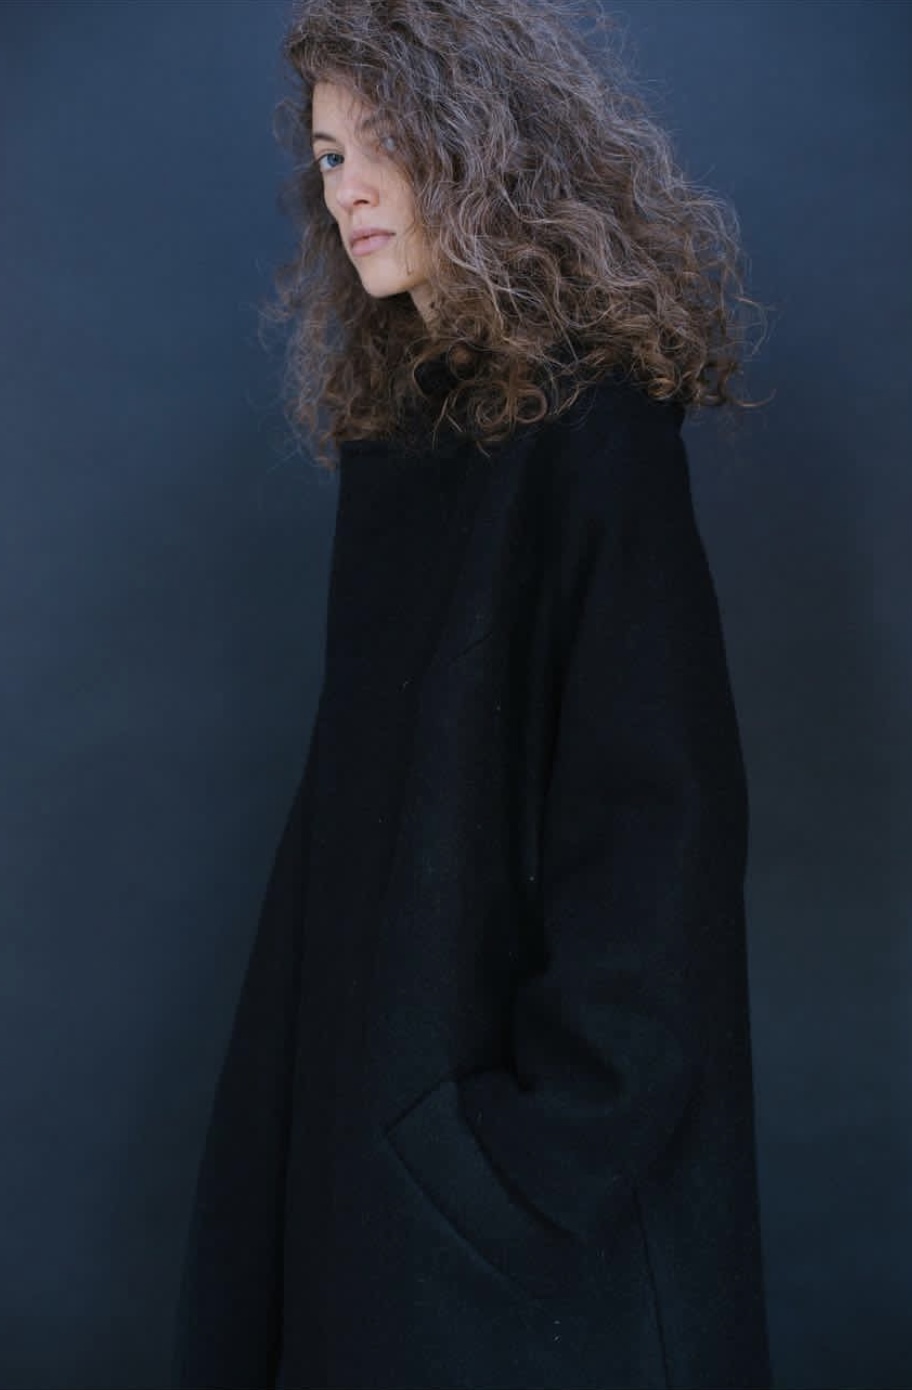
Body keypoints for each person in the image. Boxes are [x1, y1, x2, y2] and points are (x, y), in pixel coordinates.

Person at [171, 2, 771, 1387]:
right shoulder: (415, 434)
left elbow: (661, 830)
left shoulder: (593, 433)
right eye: (331, 155)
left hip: (503, 1216)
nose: (352, 189)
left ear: (487, 142)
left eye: (389, 140)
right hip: (376, 1140)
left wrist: (525, 1156)